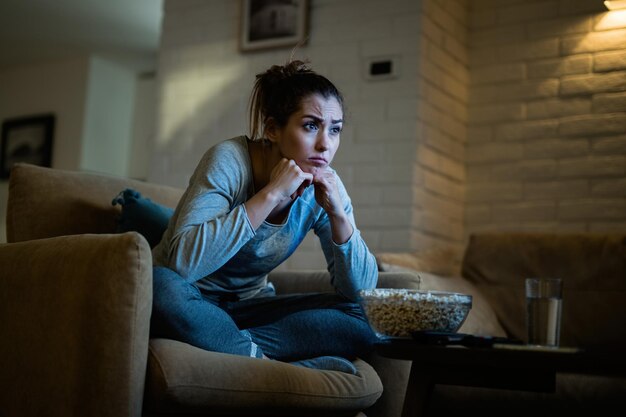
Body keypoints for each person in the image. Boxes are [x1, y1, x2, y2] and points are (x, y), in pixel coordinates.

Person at [150, 59, 378, 374]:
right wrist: (270, 195)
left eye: (335, 129)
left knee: (369, 316)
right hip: (190, 301)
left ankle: (239, 349)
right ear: (272, 129)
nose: (326, 144)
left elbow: (361, 292)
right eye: (310, 125)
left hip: (250, 309)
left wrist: (339, 215)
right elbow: (183, 264)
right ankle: (272, 365)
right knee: (157, 286)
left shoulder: (325, 184)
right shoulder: (228, 160)